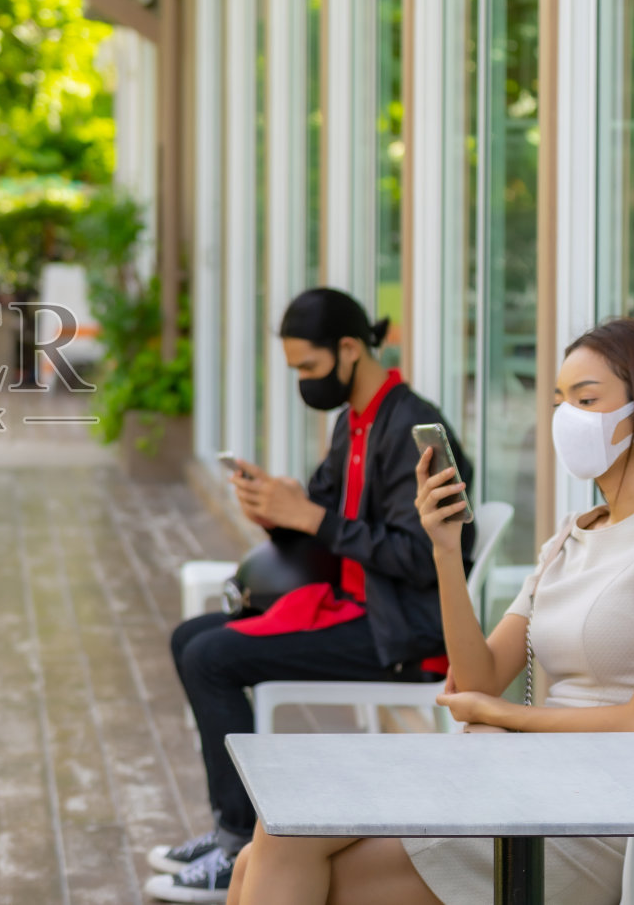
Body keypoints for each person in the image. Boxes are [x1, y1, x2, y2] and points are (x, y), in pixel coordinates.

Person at [221, 317, 634, 905]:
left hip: (586, 820)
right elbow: (481, 675)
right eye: (560, 401)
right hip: (514, 785)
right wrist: (443, 550)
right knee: (263, 846)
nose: (566, 416)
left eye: (587, 400)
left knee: (279, 852)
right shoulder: (571, 535)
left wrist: (510, 720)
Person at [147, 288, 475, 903]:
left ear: (348, 349)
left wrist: (310, 517)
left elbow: (422, 556)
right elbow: (320, 515)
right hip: (352, 609)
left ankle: (239, 841)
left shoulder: (411, 426)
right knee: (191, 636)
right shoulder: (353, 421)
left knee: (207, 657)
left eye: (308, 368)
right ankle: (229, 831)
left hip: (400, 632)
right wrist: (277, 508)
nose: (303, 381)